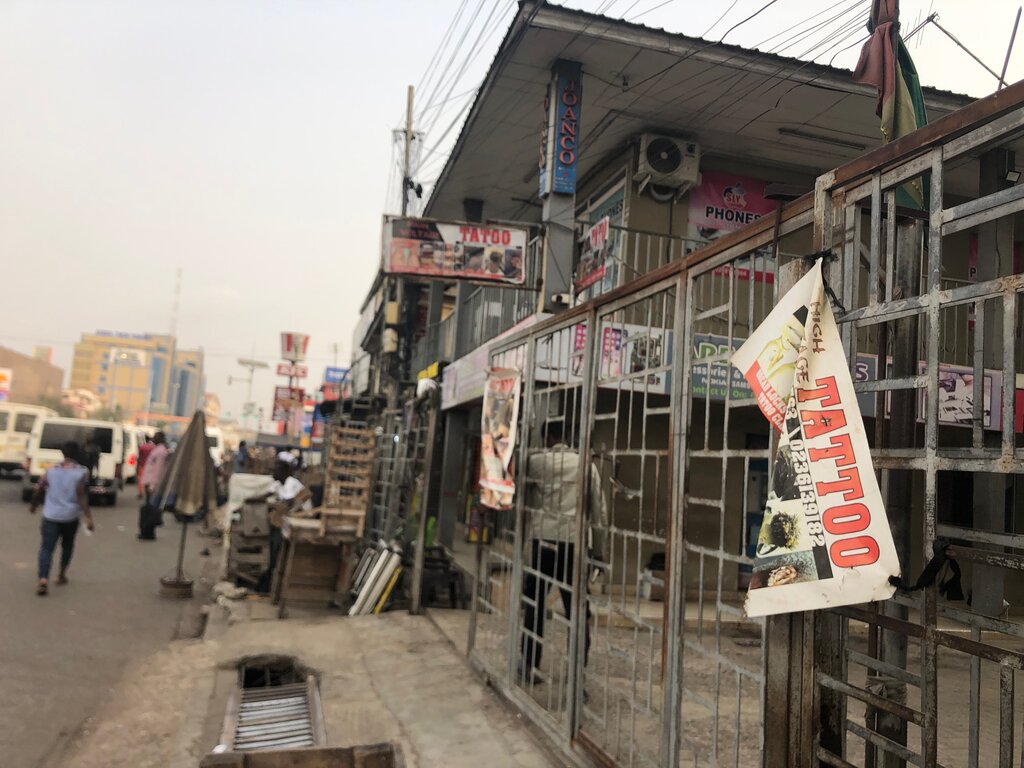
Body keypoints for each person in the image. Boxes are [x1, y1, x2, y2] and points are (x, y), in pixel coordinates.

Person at [518, 422, 607, 684]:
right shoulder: (586, 466)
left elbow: (522, 496)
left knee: (535, 605)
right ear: (566, 437)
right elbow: (598, 513)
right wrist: (599, 552)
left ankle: (529, 666)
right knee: (577, 611)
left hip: (544, 542)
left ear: (547, 437)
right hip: (574, 544)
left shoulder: (536, 463)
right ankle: (576, 677)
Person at [30, 441, 95, 595]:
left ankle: (43, 579)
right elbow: (82, 495)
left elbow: (40, 488)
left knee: (46, 548)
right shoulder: (82, 472)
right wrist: (88, 517)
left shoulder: (50, 470)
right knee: (67, 545)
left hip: (50, 515)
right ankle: (61, 574)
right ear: (78, 454)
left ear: (62, 453)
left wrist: (34, 505)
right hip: (70, 516)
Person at [251, 460, 312, 593]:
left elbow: (289, 503)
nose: (273, 473)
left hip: (301, 517)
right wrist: (251, 499)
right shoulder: (278, 483)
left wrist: (273, 506)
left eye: (276, 470)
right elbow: (267, 495)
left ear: (284, 472)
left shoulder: (291, 482)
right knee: (274, 531)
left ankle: (273, 574)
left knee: (277, 536)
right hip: (288, 517)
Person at [138, 431, 169, 540]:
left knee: (151, 508)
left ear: (160, 438)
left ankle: (148, 531)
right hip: (149, 481)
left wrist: (153, 485)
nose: (153, 439)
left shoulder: (161, 451)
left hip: (152, 482)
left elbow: (158, 470)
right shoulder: (157, 449)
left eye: (155, 437)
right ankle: (146, 531)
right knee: (149, 507)